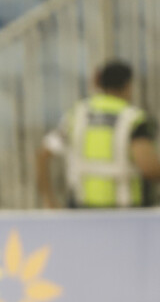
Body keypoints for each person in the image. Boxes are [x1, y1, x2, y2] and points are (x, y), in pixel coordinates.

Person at [38, 60, 160, 209]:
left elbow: (43, 154)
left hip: (81, 210)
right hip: (125, 212)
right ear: (128, 85)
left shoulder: (77, 115)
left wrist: (49, 200)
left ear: (99, 83)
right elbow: (149, 168)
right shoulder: (135, 120)